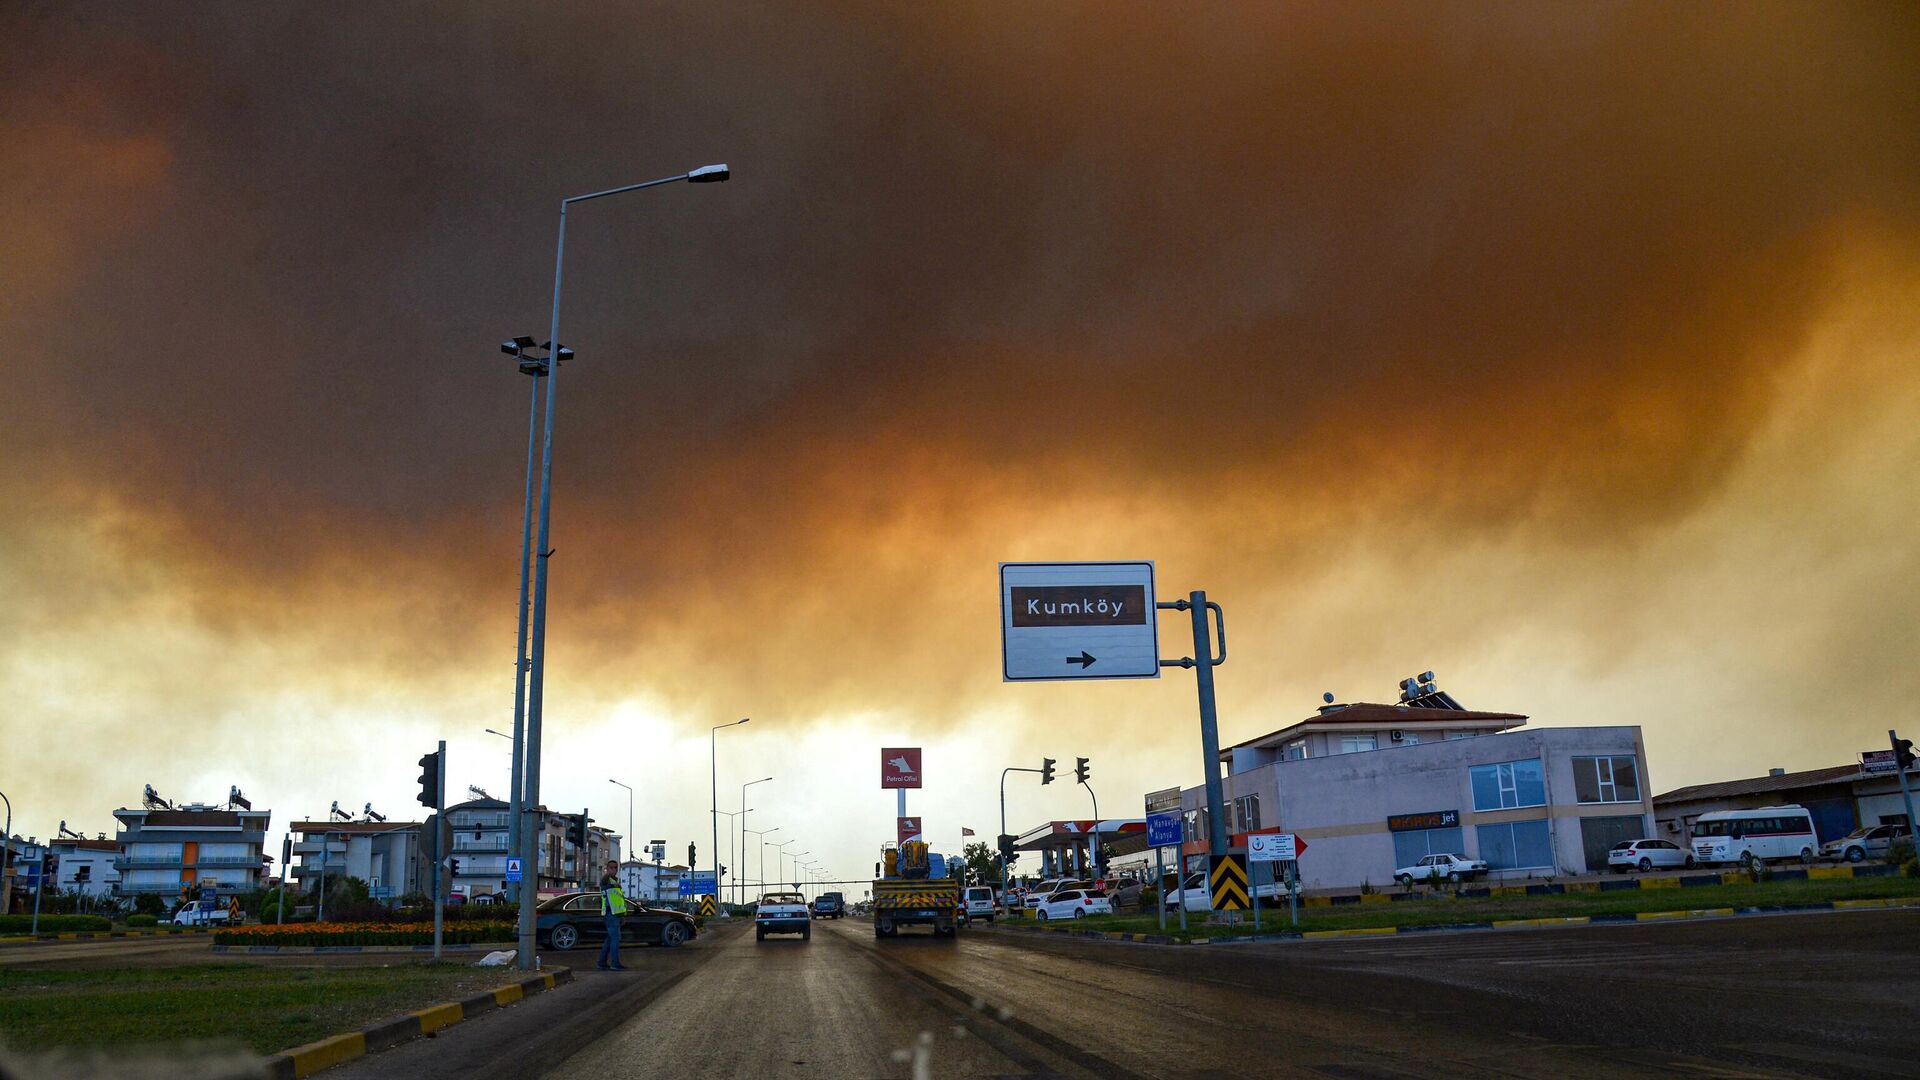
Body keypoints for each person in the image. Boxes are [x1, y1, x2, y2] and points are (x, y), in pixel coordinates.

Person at [597, 860, 628, 970]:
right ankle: (615, 964)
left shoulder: (614, 881)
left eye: (615, 868)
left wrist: (622, 915)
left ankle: (601, 962)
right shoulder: (607, 880)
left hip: (614, 913)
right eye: (611, 867)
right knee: (615, 939)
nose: (614, 870)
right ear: (607, 869)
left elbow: (618, 900)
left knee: (610, 939)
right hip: (611, 913)